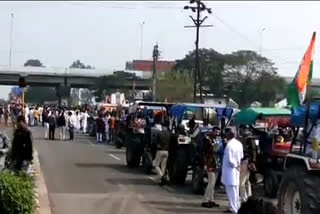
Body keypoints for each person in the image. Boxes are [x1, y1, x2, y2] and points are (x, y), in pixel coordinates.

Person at [222, 127, 244, 213]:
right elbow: (241, 156)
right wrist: (238, 165)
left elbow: (230, 160)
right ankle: (235, 207)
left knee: (231, 193)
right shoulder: (239, 144)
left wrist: (235, 165)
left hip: (230, 172)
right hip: (236, 171)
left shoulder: (229, 145)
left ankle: (234, 210)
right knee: (235, 191)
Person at [201, 126, 221, 208]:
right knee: (211, 183)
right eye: (216, 132)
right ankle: (205, 200)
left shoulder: (218, 140)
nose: (217, 133)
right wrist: (205, 164)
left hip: (217, 163)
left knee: (213, 183)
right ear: (212, 131)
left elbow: (218, 150)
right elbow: (209, 151)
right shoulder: (207, 139)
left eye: (218, 132)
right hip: (210, 163)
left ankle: (211, 200)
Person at [238, 126, 257, 203]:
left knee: (241, 182)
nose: (240, 131)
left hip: (246, 162)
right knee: (246, 181)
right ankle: (249, 197)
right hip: (247, 161)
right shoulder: (246, 139)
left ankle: (244, 199)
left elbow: (253, 151)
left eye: (241, 130)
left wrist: (252, 162)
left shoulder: (249, 139)